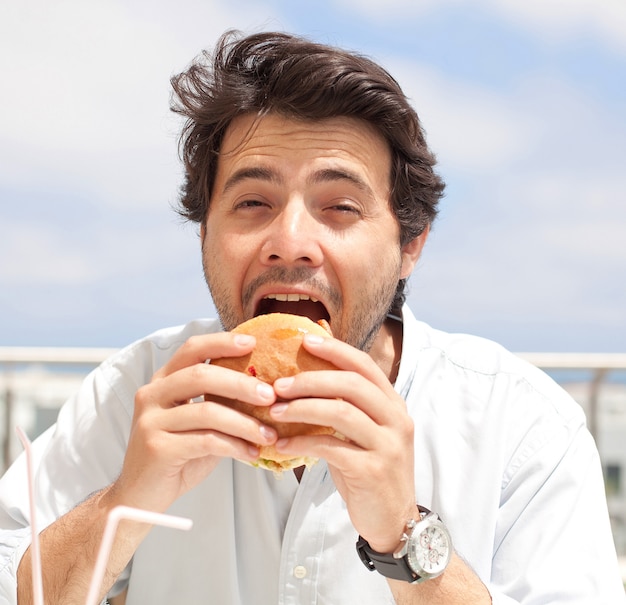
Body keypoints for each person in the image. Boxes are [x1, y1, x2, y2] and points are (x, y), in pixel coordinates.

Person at [0, 30, 623, 605]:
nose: (290, 239)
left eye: (340, 205)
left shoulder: (524, 430)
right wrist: (122, 504)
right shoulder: (133, 396)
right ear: (204, 235)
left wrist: (405, 539)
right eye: (252, 201)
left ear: (410, 245)